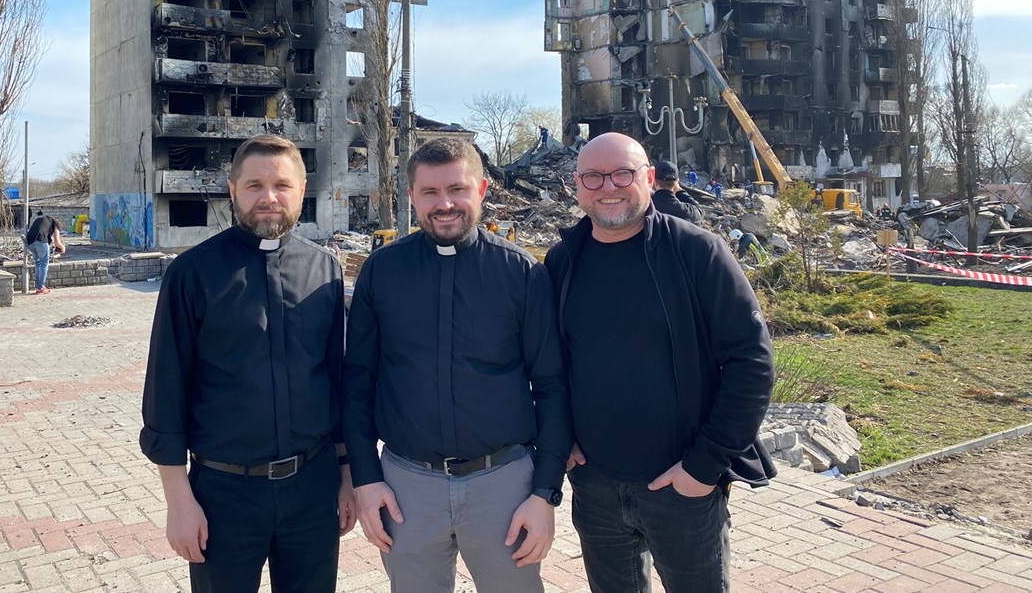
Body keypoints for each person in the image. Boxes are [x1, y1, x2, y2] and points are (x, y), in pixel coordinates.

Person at [545, 132, 775, 593]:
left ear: (649, 179)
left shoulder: (697, 252)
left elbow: (752, 360)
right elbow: (547, 364)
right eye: (593, 176)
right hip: (595, 485)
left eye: (623, 174)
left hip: (682, 485)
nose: (607, 186)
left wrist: (703, 467)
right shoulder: (562, 261)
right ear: (577, 185)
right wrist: (559, 439)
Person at [344, 137, 570, 592]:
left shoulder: (522, 274)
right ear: (411, 195)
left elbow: (551, 387)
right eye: (429, 192)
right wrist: (365, 479)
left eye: (457, 190)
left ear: (482, 189)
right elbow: (357, 383)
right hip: (407, 486)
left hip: (504, 485)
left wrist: (544, 494)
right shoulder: (381, 272)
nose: (444, 204)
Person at [141, 134, 355, 593]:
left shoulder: (325, 271)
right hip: (224, 492)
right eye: (255, 185)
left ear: (303, 190)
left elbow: (337, 381)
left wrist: (345, 476)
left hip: (312, 487)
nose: (269, 198)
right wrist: (178, 501)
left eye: (282, 185)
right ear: (232, 188)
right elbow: (166, 390)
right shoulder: (192, 274)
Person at [24, 209, 65, 295]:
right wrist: (62, 248)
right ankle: (41, 287)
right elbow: (57, 241)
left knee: (38, 263)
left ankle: (39, 287)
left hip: (30, 242)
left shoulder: (42, 219)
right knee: (44, 264)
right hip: (41, 241)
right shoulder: (55, 224)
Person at [650, 160, 703, 225]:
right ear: (677, 182)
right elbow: (700, 211)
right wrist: (680, 191)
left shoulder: (647, 207)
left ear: (654, 182)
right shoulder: (686, 211)